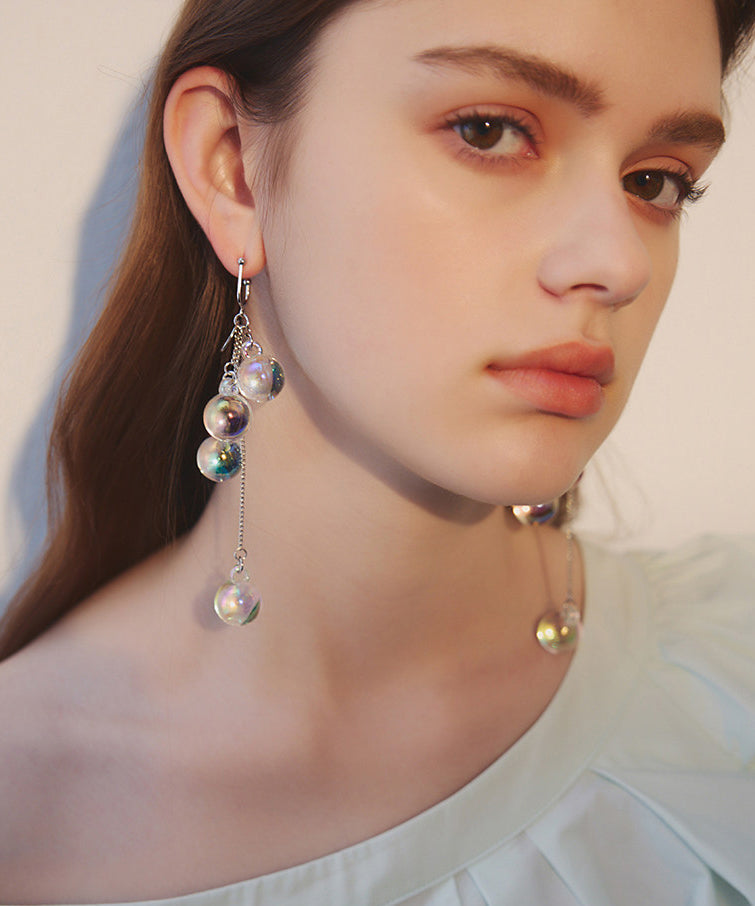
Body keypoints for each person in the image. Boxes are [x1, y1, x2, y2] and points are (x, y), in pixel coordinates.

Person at [0, 0, 754, 903]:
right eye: (489, 131)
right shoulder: (25, 821)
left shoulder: (732, 682)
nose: (618, 262)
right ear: (232, 168)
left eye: (656, 181)